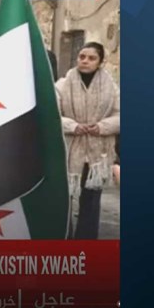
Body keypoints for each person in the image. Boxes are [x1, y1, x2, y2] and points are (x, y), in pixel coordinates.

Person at [56, 42, 120, 239]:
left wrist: (101, 126)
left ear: (100, 62)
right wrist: (73, 126)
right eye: (82, 56)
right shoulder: (62, 85)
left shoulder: (112, 87)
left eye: (92, 58)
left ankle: (86, 243)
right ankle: (63, 239)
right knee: (63, 199)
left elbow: (120, 115)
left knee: (91, 201)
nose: (85, 61)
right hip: (69, 151)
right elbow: (52, 114)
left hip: (96, 155)